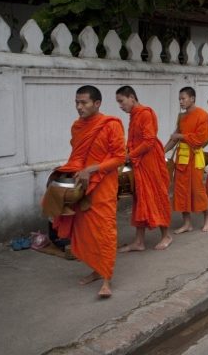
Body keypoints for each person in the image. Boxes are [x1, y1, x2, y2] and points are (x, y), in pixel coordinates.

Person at [44, 85, 125, 297]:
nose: (79, 107)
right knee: (87, 231)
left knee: (105, 230)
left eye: (83, 103)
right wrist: (71, 173)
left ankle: (107, 278)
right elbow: (77, 156)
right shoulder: (77, 127)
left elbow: (119, 158)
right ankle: (97, 270)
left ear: (96, 104)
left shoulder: (111, 125)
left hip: (104, 185)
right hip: (83, 185)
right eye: (76, 103)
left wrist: (93, 168)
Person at [116, 86, 173, 253]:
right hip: (139, 161)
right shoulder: (134, 115)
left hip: (150, 161)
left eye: (121, 101)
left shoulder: (145, 113)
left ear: (131, 97)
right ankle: (139, 241)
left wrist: (129, 155)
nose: (120, 105)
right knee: (141, 199)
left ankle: (166, 235)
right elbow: (135, 139)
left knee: (156, 196)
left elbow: (148, 141)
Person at [164, 87, 208, 233]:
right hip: (182, 159)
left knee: (198, 189)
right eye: (179, 99)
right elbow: (175, 136)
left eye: (183, 98)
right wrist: (162, 152)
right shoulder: (182, 117)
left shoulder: (203, 116)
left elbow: (199, 140)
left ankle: (207, 218)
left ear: (192, 98)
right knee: (181, 190)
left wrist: (180, 137)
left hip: (195, 158)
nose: (181, 101)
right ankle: (187, 223)